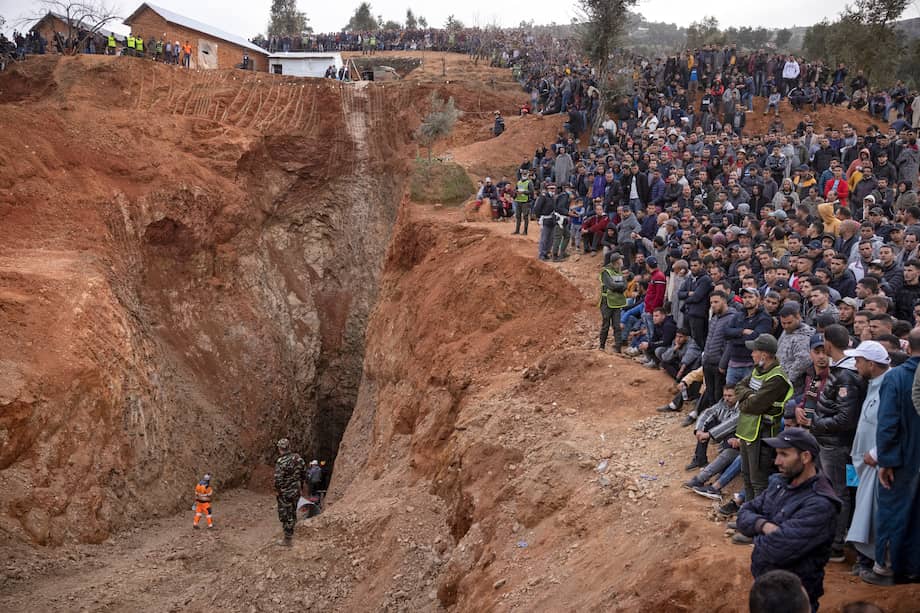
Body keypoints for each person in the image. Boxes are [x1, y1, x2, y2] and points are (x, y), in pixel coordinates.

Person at [737, 428, 842, 613]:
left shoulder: (820, 503)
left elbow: (777, 550)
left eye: (784, 454)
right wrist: (765, 526)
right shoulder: (779, 483)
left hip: (795, 600)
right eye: (777, 454)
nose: (777, 461)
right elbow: (744, 513)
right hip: (767, 590)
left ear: (805, 457)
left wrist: (757, 535)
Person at [863, 328, 920, 585]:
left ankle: (886, 568)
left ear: (908, 348)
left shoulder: (896, 377)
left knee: (893, 512)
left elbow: (887, 424)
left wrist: (885, 460)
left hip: (903, 458)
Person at [734, 334, 794, 530]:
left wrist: (746, 400)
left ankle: (756, 524)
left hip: (763, 433)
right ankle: (746, 518)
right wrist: (749, 397)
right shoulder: (758, 369)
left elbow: (755, 405)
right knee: (746, 476)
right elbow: (739, 386)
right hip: (747, 430)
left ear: (765, 354)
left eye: (755, 351)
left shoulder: (777, 378)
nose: (751, 354)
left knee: (758, 481)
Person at [845, 341, 890, 576]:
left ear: (871, 364)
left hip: (878, 464)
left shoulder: (889, 386)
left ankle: (878, 563)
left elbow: (897, 425)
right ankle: (864, 559)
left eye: (858, 360)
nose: (855, 365)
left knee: (873, 514)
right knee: (862, 511)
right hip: (862, 463)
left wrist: (878, 452)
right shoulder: (872, 384)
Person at [274, 438, 306, 546]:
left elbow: (278, 479)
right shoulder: (298, 458)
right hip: (296, 491)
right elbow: (304, 474)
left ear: (280, 448)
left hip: (285, 492)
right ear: (289, 447)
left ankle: (287, 539)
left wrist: (278, 490)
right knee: (292, 511)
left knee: (285, 514)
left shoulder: (280, 462)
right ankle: (291, 530)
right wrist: (300, 486)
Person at [598, 254, 627, 353]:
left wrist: (619, 286)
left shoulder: (619, 271)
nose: (622, 261)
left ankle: (618, 348)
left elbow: (625, 285)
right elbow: (611, 285)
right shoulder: (606, 272)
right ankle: (602, 346)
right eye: (620, 259)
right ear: (616, 261)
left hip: (617, 302)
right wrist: (620, 286)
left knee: (617, 326)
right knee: (605, 325)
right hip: (607, 302)